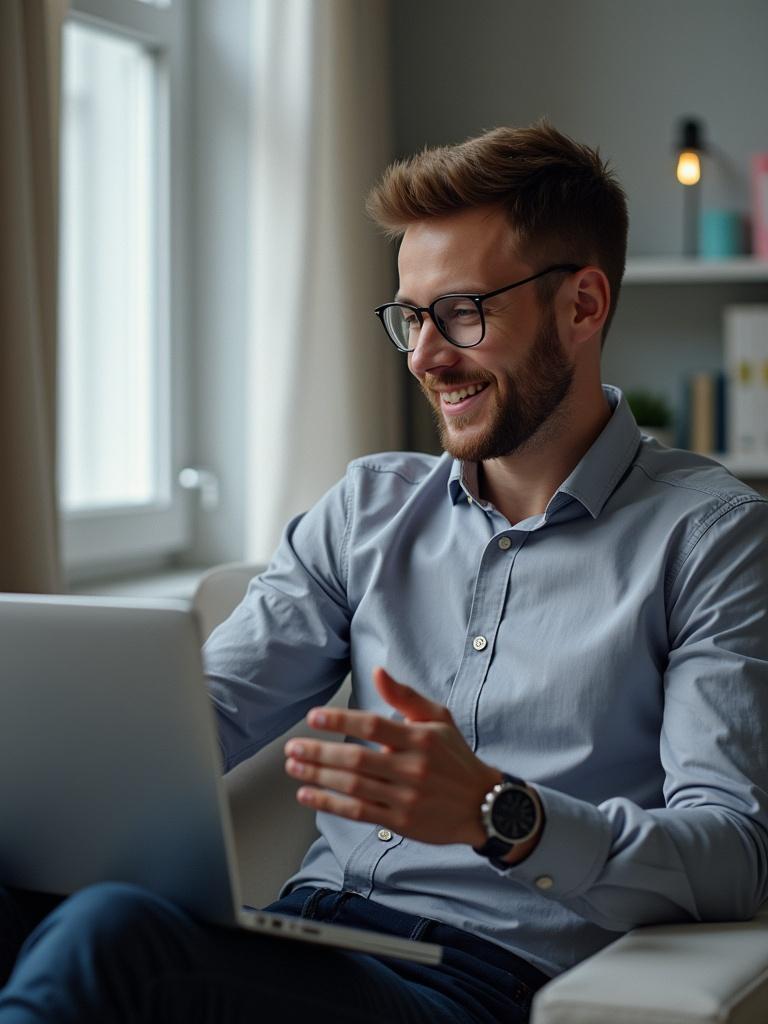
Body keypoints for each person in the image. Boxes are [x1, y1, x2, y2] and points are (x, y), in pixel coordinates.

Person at [1, 121, 767, 1024]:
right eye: (411, 316)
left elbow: (731, 853)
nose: (425, 356)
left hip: (479, 982)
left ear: (583, 305)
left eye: (464, 312)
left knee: (113, 942)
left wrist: (496, 811)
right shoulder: (367, 509)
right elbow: (200, 717)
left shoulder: (711, 536)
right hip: (303, 944)